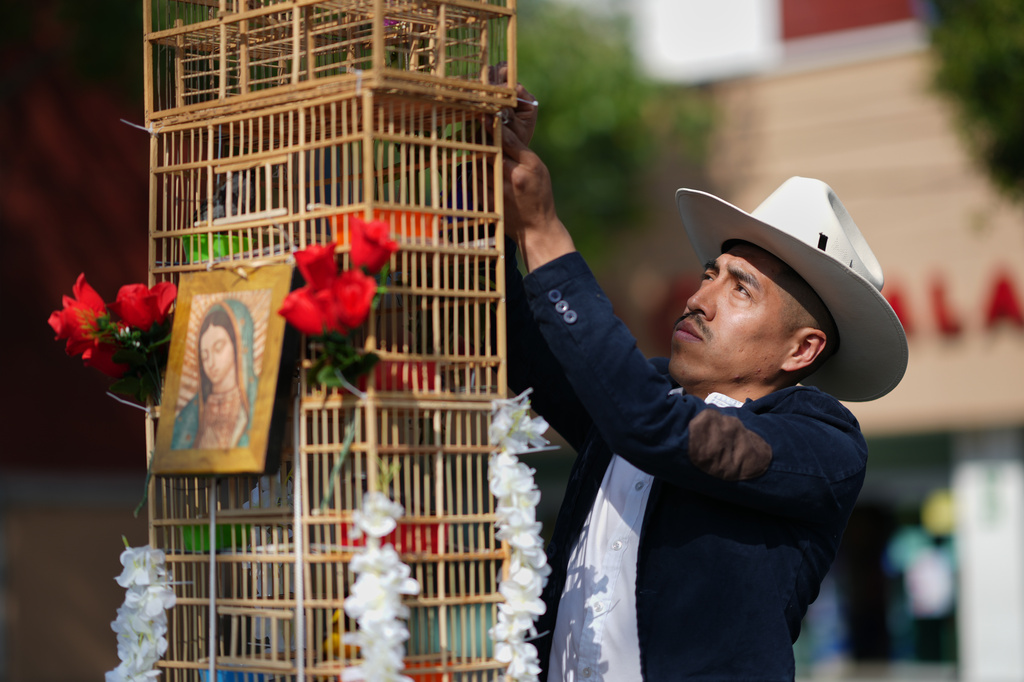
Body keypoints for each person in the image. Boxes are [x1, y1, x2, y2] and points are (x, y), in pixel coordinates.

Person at [498, 84, 908, 681]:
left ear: (803, 350)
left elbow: (650, 426)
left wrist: (543, 232)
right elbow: (508, 323)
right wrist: (481, 171)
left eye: (740, 288)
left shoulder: (824, 444)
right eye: (708, 275)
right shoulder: (635, 400)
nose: (698, 299)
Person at [172, 299, 259, 450]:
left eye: (218, 348)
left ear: (238, 345)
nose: (210, 363)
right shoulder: (191, 414)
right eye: (204, 356)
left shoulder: (258, 399)